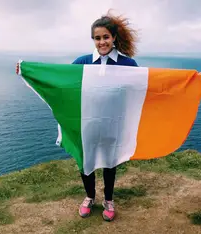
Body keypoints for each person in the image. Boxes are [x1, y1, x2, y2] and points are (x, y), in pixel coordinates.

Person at [72, 11, 139, 222]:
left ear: (113, 38)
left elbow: (144, 87)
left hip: (113, 123)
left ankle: (109, 200)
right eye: (97, 38)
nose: (102, 42)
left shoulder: (127, 64)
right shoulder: (82, 62)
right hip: (87, 122)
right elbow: (60, 80)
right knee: (86, 162)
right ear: (93, 39)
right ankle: (90, 196)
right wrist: (26, 70)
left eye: (106, 37)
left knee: (110, 163)